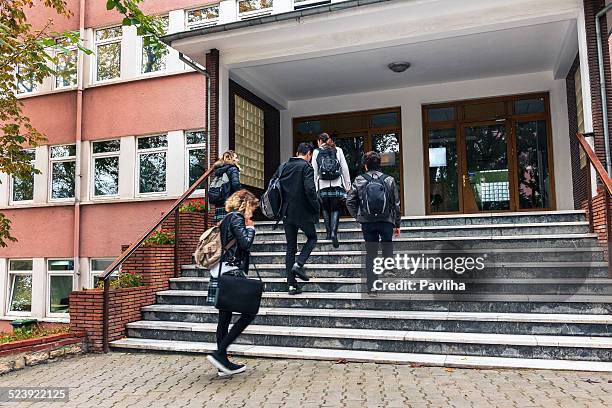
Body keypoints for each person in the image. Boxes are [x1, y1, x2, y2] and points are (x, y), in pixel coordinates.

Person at [207, 189, 259, 376]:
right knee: (249, 312)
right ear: (245, 205)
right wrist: (251, 229)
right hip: (231, 272)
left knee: (225, 317)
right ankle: (220, 354)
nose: (252, 212)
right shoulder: (237, 217)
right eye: (252, 208)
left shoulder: (226, 218)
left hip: (222, 272)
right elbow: (245, 244)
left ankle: (222, 364)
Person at [346, 151, 401, 294]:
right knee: (387, 242)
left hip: (367, 221)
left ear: (365, 166)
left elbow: (349, 201)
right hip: (386, 219)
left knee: (371, 253)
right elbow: (396, 204)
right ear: (379, 164)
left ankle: (372, 287)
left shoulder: (359, 180)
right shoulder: (389, 180)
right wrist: (397, 223)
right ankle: (388, 267)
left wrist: (358, 217)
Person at [274, 142, 320, 295]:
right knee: (312, 238)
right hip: (302, 212)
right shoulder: (306, 167)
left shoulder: (283, 166)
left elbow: (274, 186)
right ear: (308, 154)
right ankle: (298, 265)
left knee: (290, 247)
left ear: (297, 152)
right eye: (310, 156)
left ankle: (291, 285)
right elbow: (310, 190)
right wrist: (316, 207)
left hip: (286, 213)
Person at [312, 133, 351, 248]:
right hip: (336, 182)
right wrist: (347, 185)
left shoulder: (316, 151)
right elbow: (344, 168)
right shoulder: (338, 150)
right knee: (335, 208)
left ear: (320, 141)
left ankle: (329, 233)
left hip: (322, 184)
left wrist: (314, 187)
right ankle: (334, 232)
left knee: (325, 208)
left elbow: (314, 170)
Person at [211, 150, 241, 223]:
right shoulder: (233, 169)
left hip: (219, 204)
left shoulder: (219, 170)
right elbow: (235, 185)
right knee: (232, 226)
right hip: (230, 203)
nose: (238, 160)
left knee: (220, 228)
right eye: (236, 157)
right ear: (231, 159)